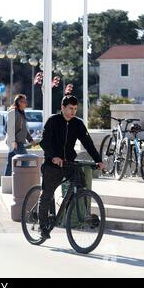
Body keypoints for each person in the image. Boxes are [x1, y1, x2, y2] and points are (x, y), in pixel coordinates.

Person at [38, 95, 104, 240]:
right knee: (47, 195)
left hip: (69, 163)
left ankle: (78, 212)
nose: (73, 112)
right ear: (63, 107)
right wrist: (54, 156)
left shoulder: (77, 124)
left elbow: (88, 143)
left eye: (75, 109)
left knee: (81, 185)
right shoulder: (53, 121)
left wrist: (98, 160)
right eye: (70, 108)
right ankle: (42, 226)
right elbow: (44, 142)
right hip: (52, 164)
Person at [4, 94, 36, 176]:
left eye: (26, 102)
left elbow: (24, 129)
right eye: (24, 102)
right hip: (16, 143)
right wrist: (13, 141)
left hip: (18, 142)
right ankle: (20, 178)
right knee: (26, 160)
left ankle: (7, 183)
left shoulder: (21, 113)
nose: (26, 104)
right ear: (19, 102)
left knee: (10, 164)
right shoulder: (13, 112)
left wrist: (30, 140)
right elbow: (9, 128)